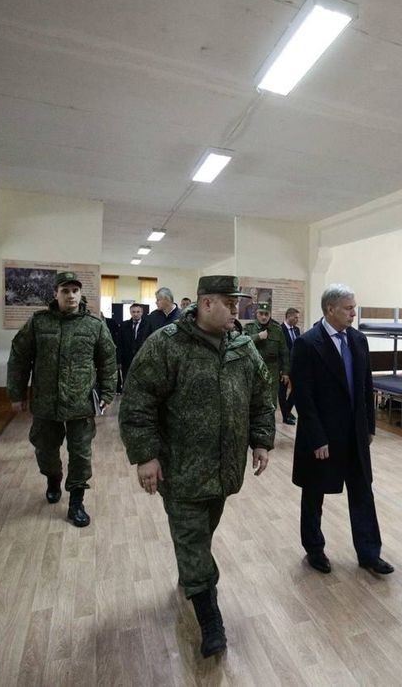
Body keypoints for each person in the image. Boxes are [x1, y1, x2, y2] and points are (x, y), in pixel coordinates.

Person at [120, 275, 275, 658]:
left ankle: (191, 572)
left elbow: (261, 395)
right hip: (181, 470)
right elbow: (138, 401)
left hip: (224, 470)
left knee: (201, 536)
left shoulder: (242, 347)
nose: (237, 310)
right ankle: (210, 619)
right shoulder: (167, 344)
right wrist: (145, 455)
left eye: (237, 303)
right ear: (206, 304)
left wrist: (261, 440)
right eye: (230, 303)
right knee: (192, 540)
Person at [290, 284, 392, 577]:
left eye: (353, 307)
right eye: (348, 308)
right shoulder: (307, 344)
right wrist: (317, 438)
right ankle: (314, 549)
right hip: (322, 435)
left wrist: (369, 426)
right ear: (330, 309)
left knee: (362, 492)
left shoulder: (358, 340)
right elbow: (304, 396)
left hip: (354, 434)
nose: (353, 313)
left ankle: (370, 553)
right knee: (314, 494)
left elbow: (366, 386)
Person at [7, 271, 117, 528]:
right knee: (45, 449)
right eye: (65, 291)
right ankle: (53, 478)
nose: (71, 296)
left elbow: (108, 361)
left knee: (80, 454)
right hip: (46, 402)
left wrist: (108, 393)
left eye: (75, 291)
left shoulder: (94, 325)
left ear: (81, 293)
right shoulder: (39, 323)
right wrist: (16, 393)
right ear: (55, 294)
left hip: (80, 403)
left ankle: (76, 501)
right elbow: (19, 358)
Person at [243, 302, 289, 411]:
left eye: (266, 314)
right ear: (256, 313)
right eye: (261, 314)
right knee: (252, 402)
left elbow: (284, 352)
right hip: (253, 370)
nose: (264, 317)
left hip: (272, 370)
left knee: (271, 403)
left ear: (270, 314)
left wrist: (286, 372)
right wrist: (257, 337)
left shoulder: (277, 330)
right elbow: (242, 344)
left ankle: (270, 421)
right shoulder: (249, 328)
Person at [278, 307, 301, 424]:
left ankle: (287, 410)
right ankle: (285, 416)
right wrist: (282, 368)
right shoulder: (280, 329)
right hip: (284, 366)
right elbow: (279, 350)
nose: (297, 320)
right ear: (288, 316)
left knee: (296, 389)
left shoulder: (297, 330)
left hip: (295, 365)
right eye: (295, 317)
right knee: (282, 391)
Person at [117, 303, 147, 387]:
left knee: (141, 382)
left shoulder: (148, 325)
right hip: (126, 359)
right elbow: (119, 343)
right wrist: (118, 360)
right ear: (130, 312)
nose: (136, 314)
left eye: (138, 312)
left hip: (142, 359)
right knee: (127, 381)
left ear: (142, 312)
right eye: (133, 312)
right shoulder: (123, 325)